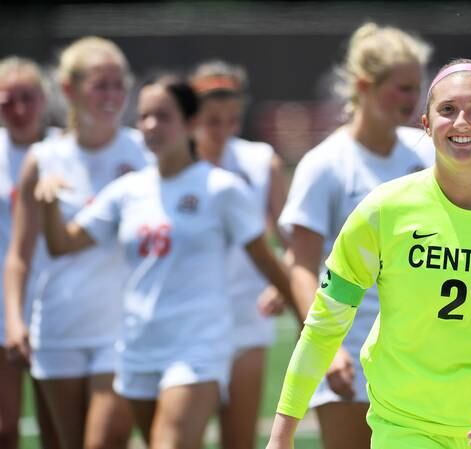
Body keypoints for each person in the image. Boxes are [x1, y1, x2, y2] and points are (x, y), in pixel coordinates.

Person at [267, 58, 471, 449]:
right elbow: (324, 324)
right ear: (426, 123)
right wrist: (281, 435)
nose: (462, 122)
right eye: (447, 110)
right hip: (405, 427)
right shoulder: (383, 210)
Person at [34, 75, 294, 449]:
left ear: (190, 123)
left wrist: (311, 325)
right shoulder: (127, 191)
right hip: (138, 346)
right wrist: (47, 205)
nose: (151, 125)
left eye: (163, 116)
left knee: (168, 444)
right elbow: (62, 244)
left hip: (197, 347)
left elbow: (267, 261)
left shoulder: (220, 188)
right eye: (144, 117)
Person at [277, 22, 431, 449]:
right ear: (364, 86)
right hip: (349, 350)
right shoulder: (325, 164)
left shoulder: (427, 155)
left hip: (417, 354)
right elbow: (303, 268)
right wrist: (329, 346)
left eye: (415, 87)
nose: (411, 99)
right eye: (401, 88)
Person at [4, 36, 144, 449]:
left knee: (103, 442)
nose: (112, 96)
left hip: (119, 330)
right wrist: (14, 320)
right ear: (69, 90)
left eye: (119, 85)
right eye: (101, 85)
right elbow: (19, 257)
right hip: (58, 327)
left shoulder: (141, 153)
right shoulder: (44, 159)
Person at [190, 59, 289, 449]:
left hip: (247, 316)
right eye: (212, 119)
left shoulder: (261, 160)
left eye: (232, 119)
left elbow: (289, 237)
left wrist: (282, 284)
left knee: (240, 439)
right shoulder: (172, 164)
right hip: (190, 323)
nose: (223, 130)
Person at [0, 56, 60, 449]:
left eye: (28, 97)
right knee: (4, 429)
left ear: (45, 98)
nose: (19, 110)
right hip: (3, 307)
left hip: (59, 306)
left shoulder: (66, 150)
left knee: (57, 430)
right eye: (7, 101)